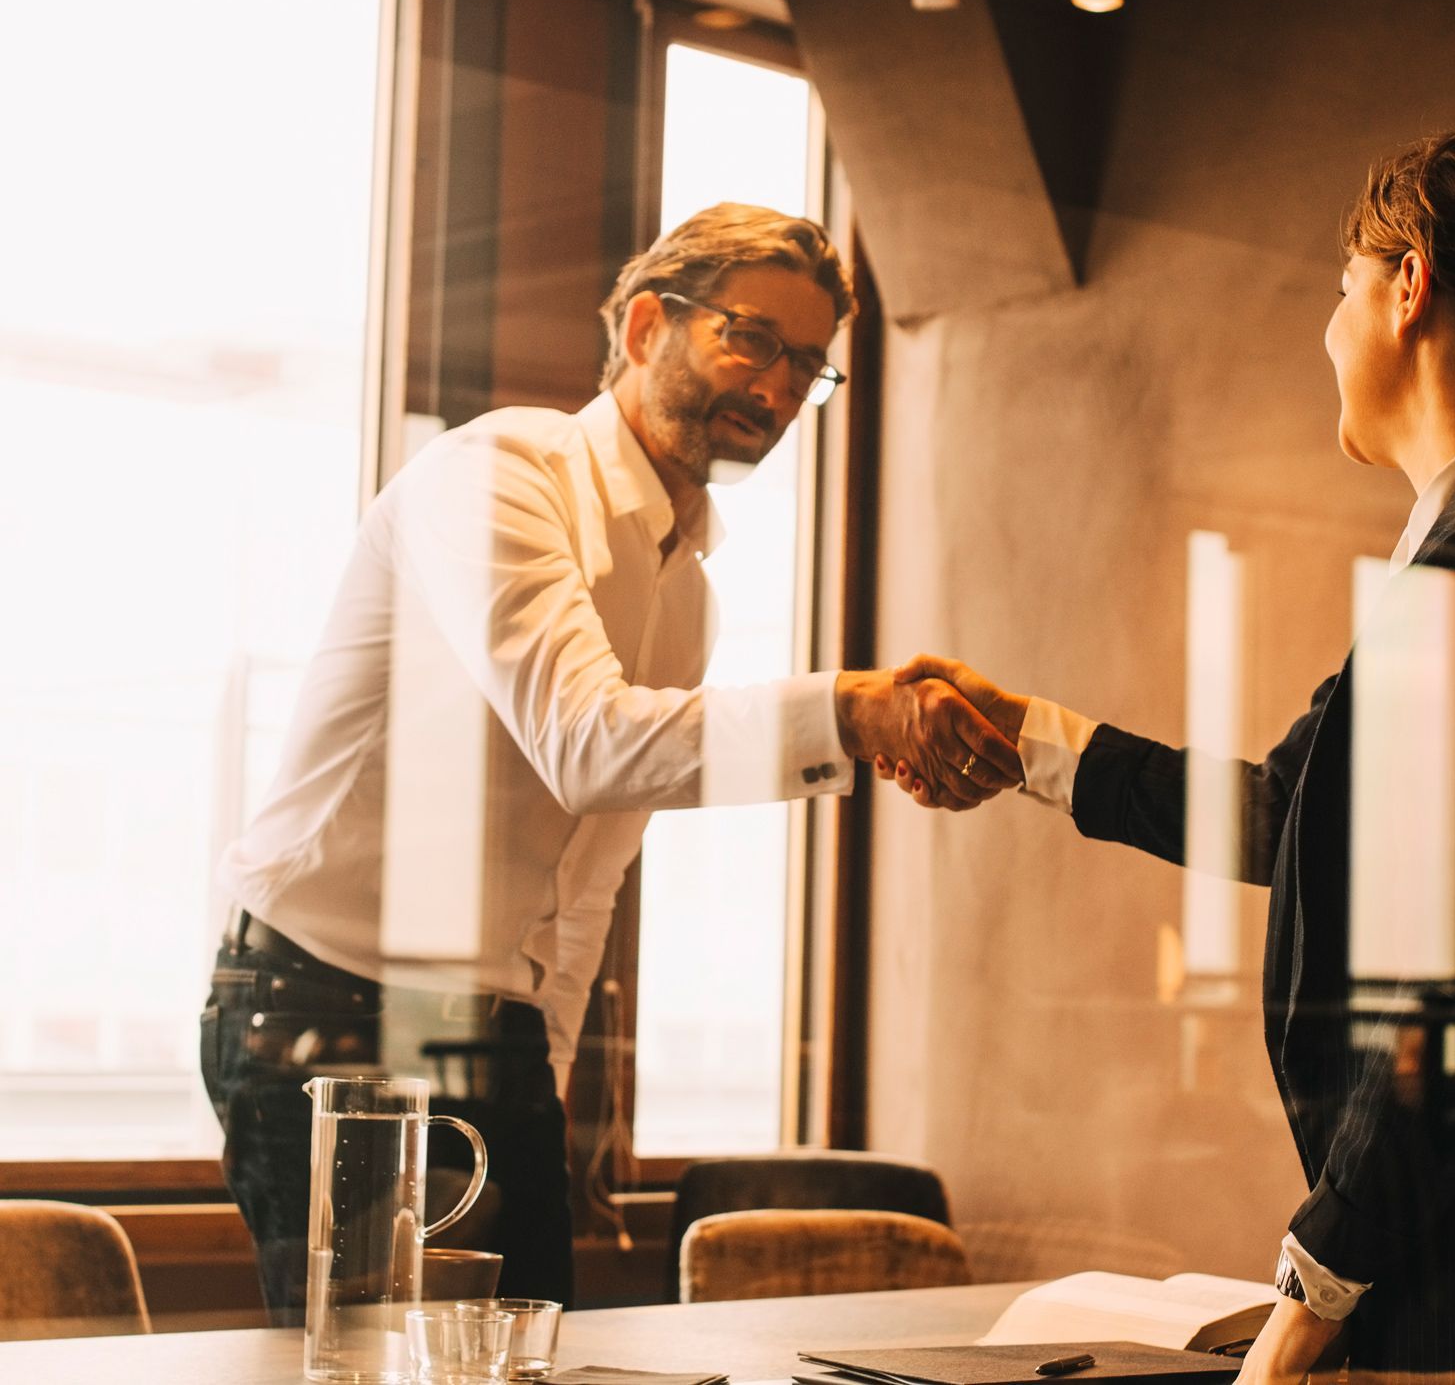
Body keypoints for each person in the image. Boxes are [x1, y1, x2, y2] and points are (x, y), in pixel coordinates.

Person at [879, 131, 1455, 1376]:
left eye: (1342, 286)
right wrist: (1028, 739)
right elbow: (1287, 813)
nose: (1328, 327)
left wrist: (1311, 1294)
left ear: (1408, 283)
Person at [201, 203, 1020, 1318]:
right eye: (753, 339)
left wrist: (550, 1078)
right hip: (320, 1002)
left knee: (535, 1354)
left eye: (808, 365)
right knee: (372, 1362)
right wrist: (852, 712)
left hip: (494, 1026)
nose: (779, 387)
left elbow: (583, 880)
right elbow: (590, 744)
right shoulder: (496, 476)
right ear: (644, 328)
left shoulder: (688, 597)